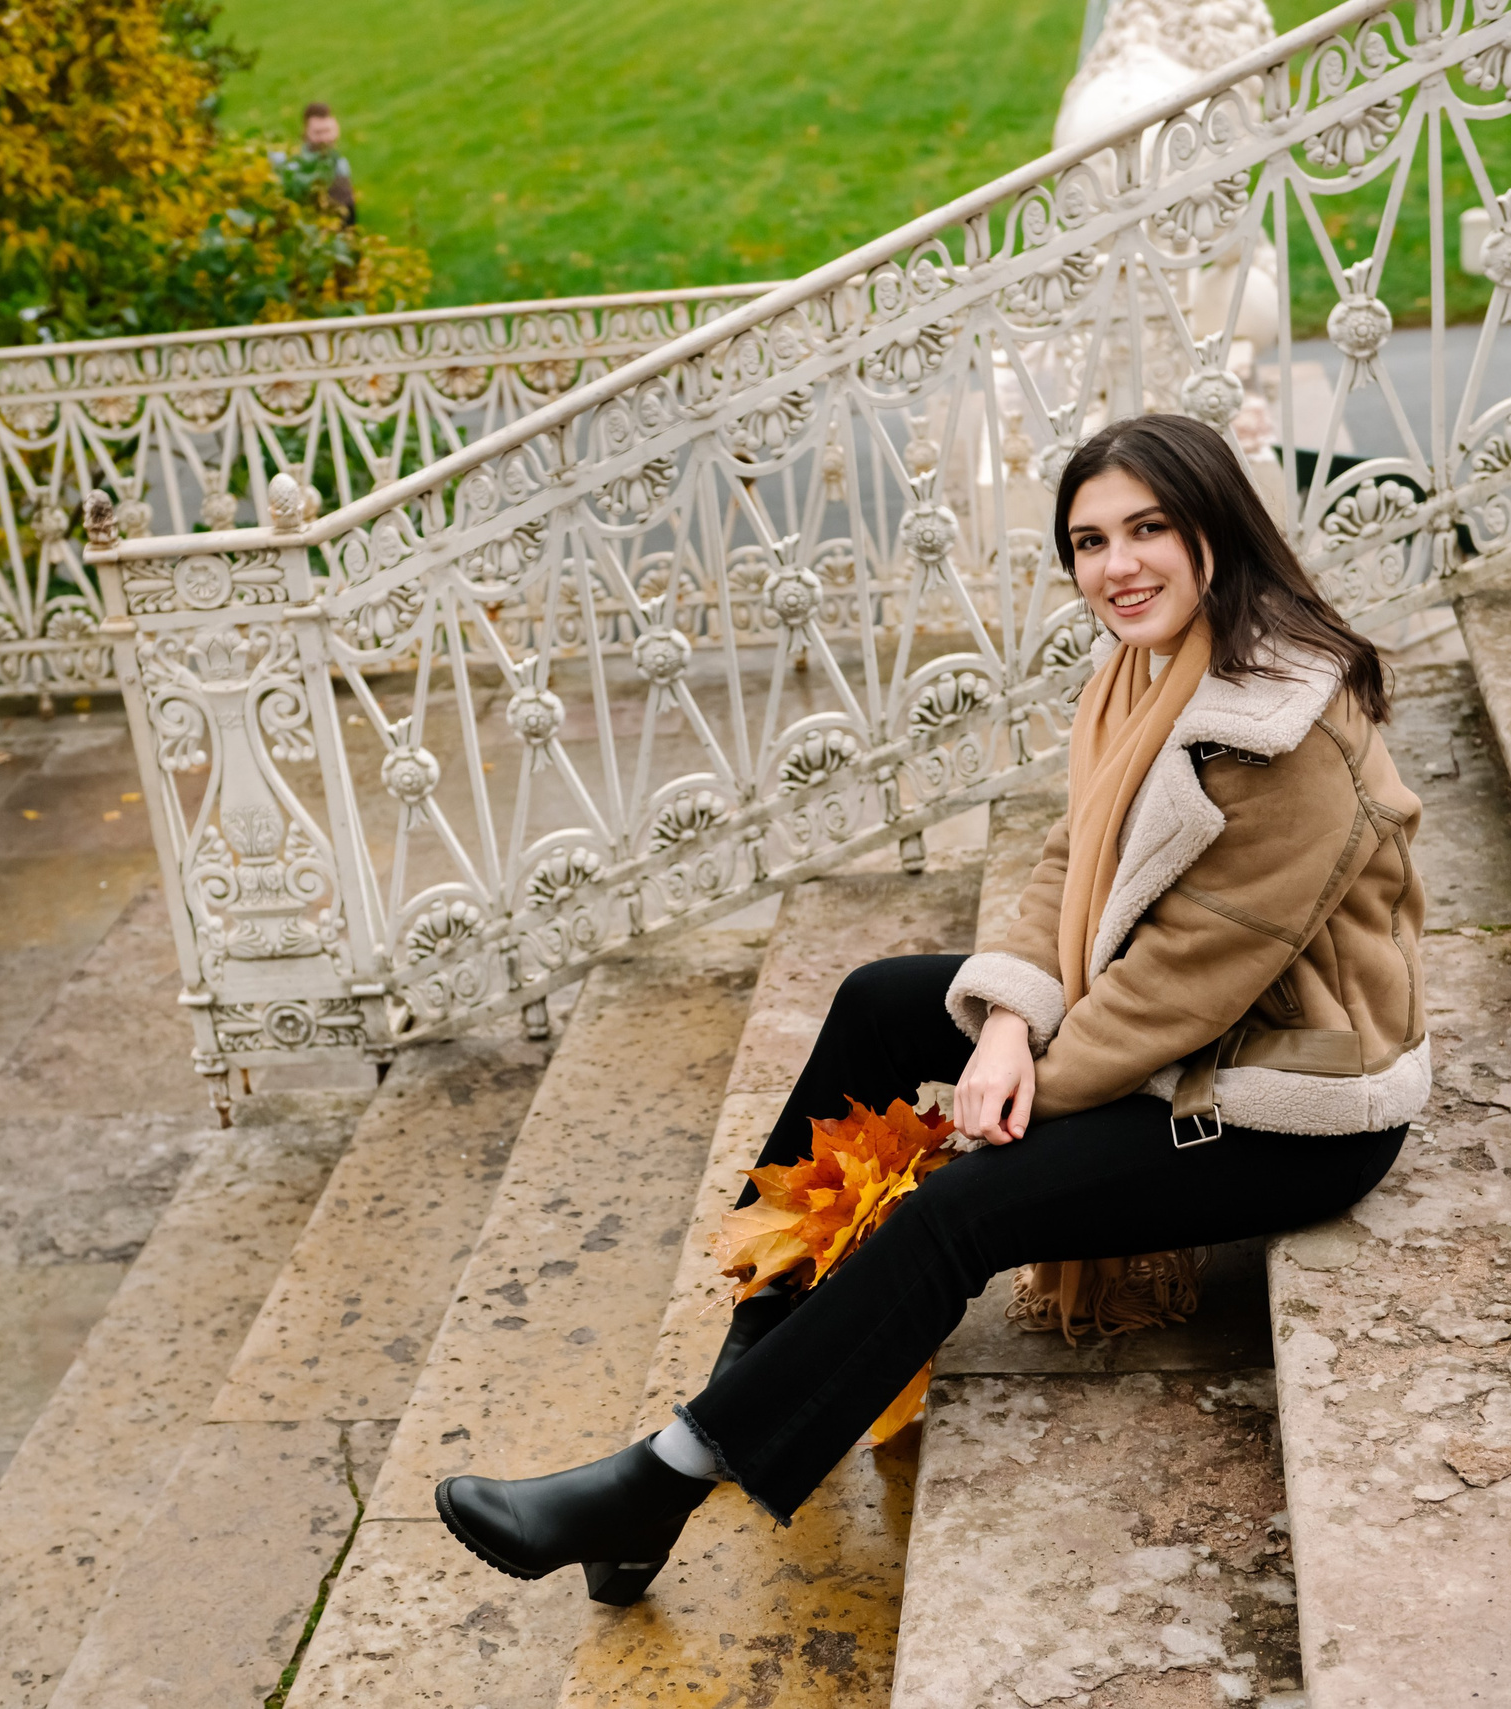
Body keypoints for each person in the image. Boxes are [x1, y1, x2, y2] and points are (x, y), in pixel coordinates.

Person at [435, 411, 1428, 1607]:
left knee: (962, 1208)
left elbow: (1185, 981)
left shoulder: (1281, 732)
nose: (1117, 565)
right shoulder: (1150, 666)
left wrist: (1008, 1096)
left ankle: (660, 1479)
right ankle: (755, 1359)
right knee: (879, 1004)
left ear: (1216, 527)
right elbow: (1072, 862)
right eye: (1089, 539)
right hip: (1190, 1035)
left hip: (1286, 1097)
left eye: (1149, 528)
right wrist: (1006, 1018)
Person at [275, 101, 355, 225]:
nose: (324, 139)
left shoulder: (340, 164)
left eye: (327, 131)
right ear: (305, 132)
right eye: (318, 132)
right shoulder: (291, 164)